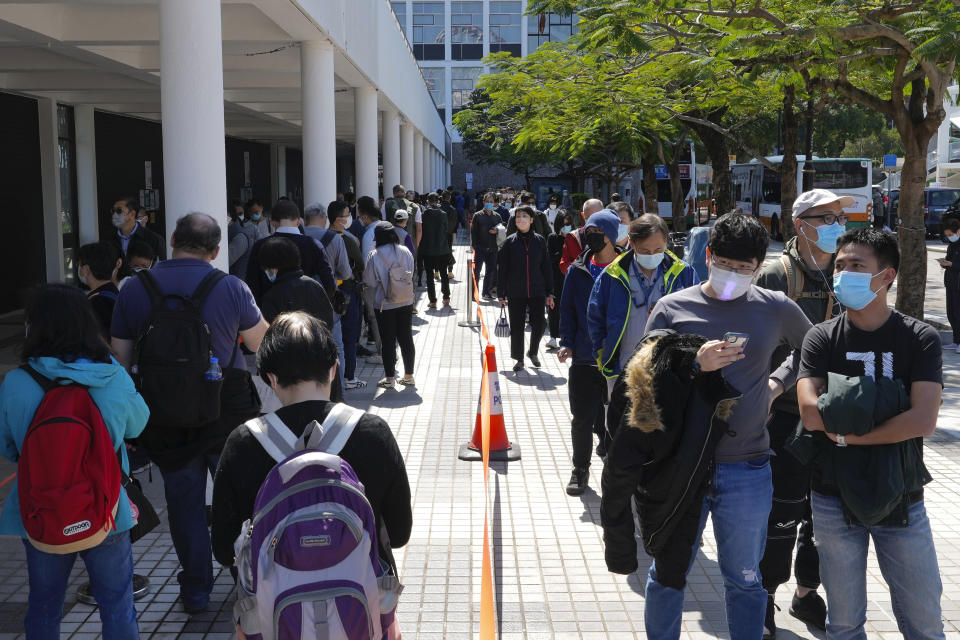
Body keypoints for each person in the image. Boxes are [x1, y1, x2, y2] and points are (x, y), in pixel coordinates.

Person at [606, 212, 812, 640]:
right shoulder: (673, 307)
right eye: (725, 264)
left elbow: (813, 349)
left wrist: (776, 384)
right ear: (709, 256)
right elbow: (642, 381)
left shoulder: (774, 308)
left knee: (745, 577)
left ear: (759, 266)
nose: (733, 274)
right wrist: (691, 364)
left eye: (744, 268)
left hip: (748, 467)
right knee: (668, 573)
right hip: (682, 466)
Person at [110, 213, 269, 614]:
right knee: (240, 498)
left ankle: (196, 590)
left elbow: (121, 359)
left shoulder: (133, 288)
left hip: (164, 413)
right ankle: (246, 585)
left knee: (184, 503)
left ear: (173, 239)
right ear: (217, 250)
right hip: (227, 409)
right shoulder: (230, 286)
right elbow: (260, 342)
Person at [797, 227, 944, 640]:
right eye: (839, 266)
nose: (844, 274)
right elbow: (810, 413)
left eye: (857, 266)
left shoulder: (919, 338)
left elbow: (922, 421)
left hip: (902, 497)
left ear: (887, 276)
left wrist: (846, 431)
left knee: (925, 621)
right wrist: (886, 407)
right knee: (843, 623)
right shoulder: (821, 337)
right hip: (831, 498)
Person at [211, 311, 412, 578]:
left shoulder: (243, 443)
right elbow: (398, 535)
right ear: (333, 369)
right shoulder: (373, 433)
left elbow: (225, 551)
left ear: (271, 378)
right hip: (360, 605)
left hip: (275, 612)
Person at [0, 284, 148, 638]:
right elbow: (139, 424)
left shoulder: (17, 381)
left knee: (44, 606)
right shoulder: (110, 375)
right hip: (106, 508)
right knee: (117, 607)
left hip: (40, 510)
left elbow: (9, 448)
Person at [754, 188, 849, 636]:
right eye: (824, 217)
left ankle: (807, 592)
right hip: (786, 416)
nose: (836, 224)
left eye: (838, 215)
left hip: (836, 414)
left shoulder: (850, 269)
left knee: (825, 514)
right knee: (783, 513)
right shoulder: (776, 275)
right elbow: (756, 344)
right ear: (800, 224)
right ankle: (765, 597)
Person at [587, 214, 699, 388]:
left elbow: (695, 316)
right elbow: (595, 316)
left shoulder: (684, 274)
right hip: (622, 365)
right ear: (632, 244)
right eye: (645, 251)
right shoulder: (613, 274)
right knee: (621, 414)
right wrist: (602, 353)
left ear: (666, 242)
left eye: (658, 250)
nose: (652, 255)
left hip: (669, 368)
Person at [558, 210, 621, 495]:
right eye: (589, 233)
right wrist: (566, 342)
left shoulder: (627, 267)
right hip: (584, 358)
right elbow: (567, 310)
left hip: (619, 359)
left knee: (618, 419)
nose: (590, 237)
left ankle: (618, 468)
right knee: (581, 417)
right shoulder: (577, 269)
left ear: (611, 235)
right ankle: (580, 469)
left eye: (597, 233)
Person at [244, 198, 336, 303]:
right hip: (305, 312)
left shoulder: (259, 246)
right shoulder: (313, 245)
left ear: (272, 222)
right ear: (298, 221)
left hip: (270, 313)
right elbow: (329, 285)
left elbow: (251, 285)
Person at [498, 207, 555, 371]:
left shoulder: (539, 240)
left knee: (540, 323)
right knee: (517, 326)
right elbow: (502, 269)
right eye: (517, 216)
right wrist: (501, 293)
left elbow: (546, 267)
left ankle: (533, 351)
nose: (520, 219)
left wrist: (550, 292)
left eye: (524, 216)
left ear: (531, 220)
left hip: (537, 289)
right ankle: (519, 359)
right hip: (516, 291)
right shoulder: (510, 242)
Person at [363, 222, 416, 388]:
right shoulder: (405, 251)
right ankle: (408, 376)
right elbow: (411, 273)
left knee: (388, 341)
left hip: (385, 305)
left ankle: (390, 379)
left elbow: (370, 282)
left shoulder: (375, 255)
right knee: (406, 338)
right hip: (406, 300)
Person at [328, 202, 367, 389]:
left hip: (327, 292)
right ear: (338, 219)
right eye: (346, 214)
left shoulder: (320, 237)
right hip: (347, 292)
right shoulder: (346, 240)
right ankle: (349, 376)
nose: (349, 216)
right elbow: (360, 265)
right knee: (349, 335)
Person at [77, 242, 122, 340]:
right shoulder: (114, 294)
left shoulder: (98, 302)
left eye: (79, 265)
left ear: (87, 269)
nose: (79, 269)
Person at [108, 196, 166, 269]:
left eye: (119, 211)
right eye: (113, 211)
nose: (115, 215)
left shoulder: (154, 239)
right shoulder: (109, 240)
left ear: (132, 214)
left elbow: (160, 268)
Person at [546, 211, 574, 350]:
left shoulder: (574, 238)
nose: (566, 227)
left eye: (568, 224)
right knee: (553, 307)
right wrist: (562, 252)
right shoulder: (552, 238)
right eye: (563, 225)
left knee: (568, 308)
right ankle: (553, 336)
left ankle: (566, 337)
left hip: (570, 278)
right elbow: (550, 258)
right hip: (555, 277)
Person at [420, 193, 452, 308]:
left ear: (428, 201)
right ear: (438, 201)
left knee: (429, 275)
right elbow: (446, 229)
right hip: (442, 249)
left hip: (428, 249)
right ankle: (446, 297)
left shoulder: (424, 214)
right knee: (444, 274)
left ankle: (432, 300)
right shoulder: (443, 214)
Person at [560, 198, 604, 274]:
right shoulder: (573, 237)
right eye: (590, 217)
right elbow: (563, 265)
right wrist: (581, 266)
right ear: (583, 215)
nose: (594, 220)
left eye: (597, 216)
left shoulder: (609, 236)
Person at [472, 192, 502, 300]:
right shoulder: (477, 215)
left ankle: (486, 292)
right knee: (477, 272)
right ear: (484, 202)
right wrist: (474, 246)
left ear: (494, 203)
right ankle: (474, 293)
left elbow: (502, 229)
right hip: (480, 248)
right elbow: (473, 232)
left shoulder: (497, 216)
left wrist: (497, 231)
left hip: (493, 248)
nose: (489, 203)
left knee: (490, 271)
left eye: (491, 202)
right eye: (487, 201)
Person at [939, 217, 960, 352]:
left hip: (958, 284)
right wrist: (944, 262)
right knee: (951, 313)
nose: (949, 237)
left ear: (958, 231)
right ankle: (956, 340)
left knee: (958, 314)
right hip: (950, 283)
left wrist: (952, 264)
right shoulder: (952, 245)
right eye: (947, 235)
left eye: (950, 235)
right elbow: (950, 261)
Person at [227, 199, 257, 279]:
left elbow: (226, 261)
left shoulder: (240, 236)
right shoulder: (232, 232)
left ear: (228, 215)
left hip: (237, 283)